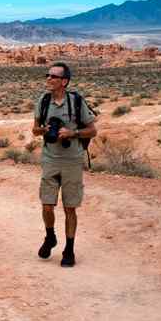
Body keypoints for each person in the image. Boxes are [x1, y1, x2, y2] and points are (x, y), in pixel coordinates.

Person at [31, 62, 97, 267]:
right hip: (50, 159)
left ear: (64, 81)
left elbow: (92, 130)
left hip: (72, 161)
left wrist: (72, 133)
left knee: (70, 208)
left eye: (54, 76)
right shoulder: (43, 100)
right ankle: (50, 237)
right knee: (47, 204)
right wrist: (46, 130)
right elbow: (34, 130)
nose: (48, 79)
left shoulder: (76, 101)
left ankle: (69, 249)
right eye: (48, 75)